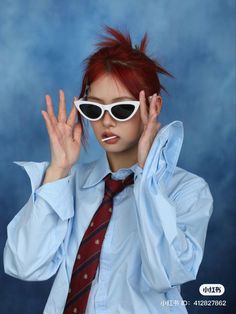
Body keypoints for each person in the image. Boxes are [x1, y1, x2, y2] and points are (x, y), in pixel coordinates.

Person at [3, 25, 213, 314]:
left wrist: (146, 177)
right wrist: (59, 170)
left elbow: (166, 273)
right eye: (94, 109)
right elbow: (24, 265)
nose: (106, 122)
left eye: (121, 109)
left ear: (153, 106)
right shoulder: (69, 182)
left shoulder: (186, 190)